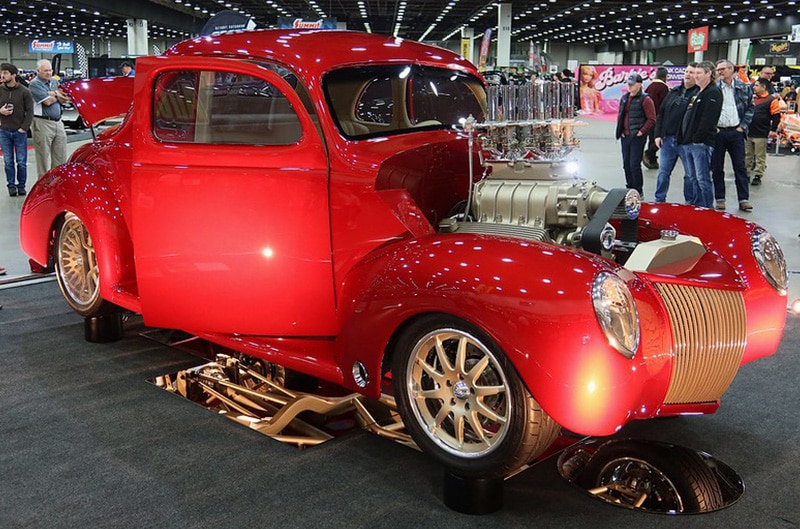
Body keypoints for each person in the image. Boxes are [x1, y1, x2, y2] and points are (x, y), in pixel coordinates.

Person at [677, 61, 723, 209]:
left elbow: (708, 119)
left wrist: (697, 138)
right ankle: (697, 206)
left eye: (699, 73)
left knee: (702, 178)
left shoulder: (713, 92)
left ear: (709, 74)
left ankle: (707, 208)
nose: (695, 76)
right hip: (689, 142)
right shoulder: (698, 92)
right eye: (694, 73)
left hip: (700, 143)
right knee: (693, 177)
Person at [653, 63, 699, 203]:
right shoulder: (673, 91)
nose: (688, 74)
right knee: (663, 172)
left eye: (692, 72)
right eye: (687, 71)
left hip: (686, 142)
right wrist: (658, 134)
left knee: (690, 175)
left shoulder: (699, 94)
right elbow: (661, 114)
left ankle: (689, 202)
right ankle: (659, 200)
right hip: (667, 140)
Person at [712, 59, 754, 212]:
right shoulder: (714, 88)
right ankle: (720, 199)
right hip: (718, 133)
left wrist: (742, 127)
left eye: (723, 69)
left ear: (731, 69)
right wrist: (712, 128)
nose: (720, 72)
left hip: (736, 132)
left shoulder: (743, 87)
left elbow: (750, 108)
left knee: (740, 167)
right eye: (718, 69)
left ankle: (743, 199)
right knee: (717, 167)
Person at [615, 73, 656, 197]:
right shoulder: (624, 98)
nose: (629, 86)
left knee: (634, 164)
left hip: (637, 137)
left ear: (639, 85)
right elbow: (621, 115)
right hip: (625, 136)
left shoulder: (646, 99)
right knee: (626, 164)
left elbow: (652, 119)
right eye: (628, 84)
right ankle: (629, 187)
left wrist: (641, 131)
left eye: (632, 84)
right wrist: (620, 131)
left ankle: (638, 190)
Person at [28, 59, 70, 178]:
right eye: (45, 71)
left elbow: (64, 98)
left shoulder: (54, 82)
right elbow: (46, 102)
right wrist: (56, 94)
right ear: (38, 71)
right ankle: (43, 183)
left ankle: (57, 181)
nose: (49, 73)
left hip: (58, 122)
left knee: (60, 156)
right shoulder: (34, 84)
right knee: (43, 157)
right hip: (42, 123)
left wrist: (52, 94)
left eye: (50, 70)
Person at [0, 62, 34, 197]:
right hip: (4, 131)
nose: (2, 75)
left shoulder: (24, 91)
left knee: (21, 162)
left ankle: (21, 186)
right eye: (2, 73)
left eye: (5, 73)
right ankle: (11, 186)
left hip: (19, 131)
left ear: (13, 75)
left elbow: (30, 111)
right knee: (8, 161)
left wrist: (24, 128)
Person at [745, 78, 781, 187]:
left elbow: (776, 116)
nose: (754, 87)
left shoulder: (771, 100)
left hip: (761, 132)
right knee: (747, 155)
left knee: (760, 156)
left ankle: (758, 175)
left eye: (756, 85)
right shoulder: (752, 99)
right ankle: (746, 173)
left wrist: (773, 130)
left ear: (763, 87)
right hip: (748, 132)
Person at [643, 66, 670, 169]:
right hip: (659, 117)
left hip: (649, 117)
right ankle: (649, 153)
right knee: (660, 138)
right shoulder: (664, 88)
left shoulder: (650, 86)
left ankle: (652, 160)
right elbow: (665, 104)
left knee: (652, 138)